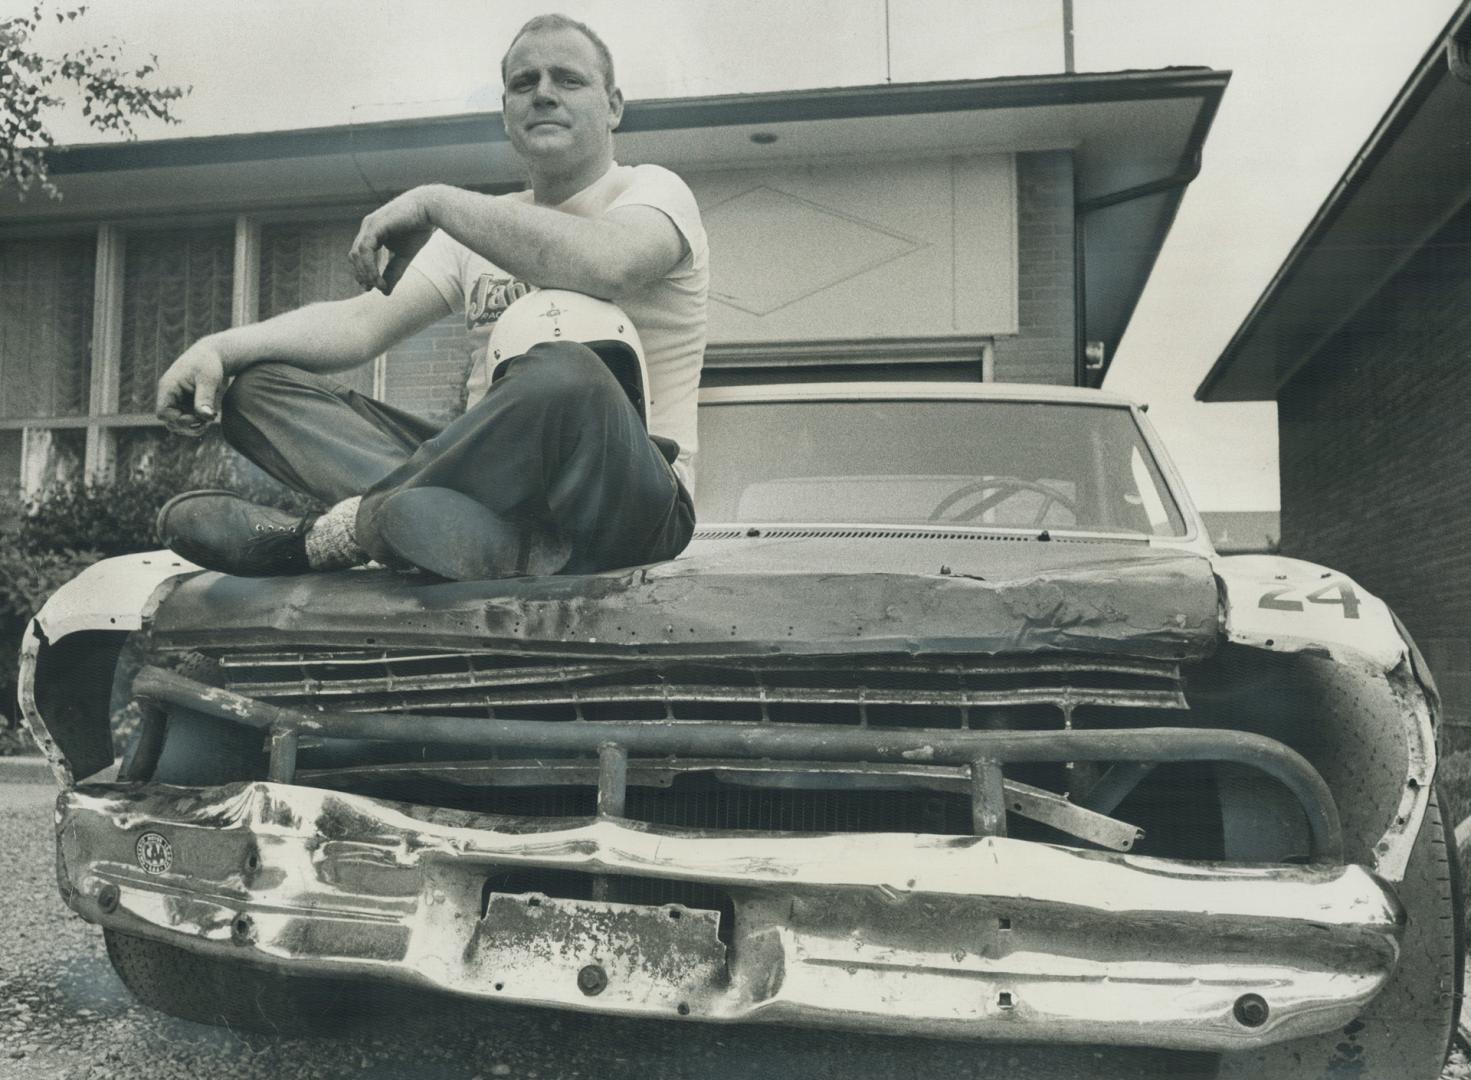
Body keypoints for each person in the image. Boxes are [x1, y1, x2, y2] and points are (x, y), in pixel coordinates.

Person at [154, 13, 708, 581]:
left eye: (568, 79)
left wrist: (434, 200)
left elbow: (608, 264)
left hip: (629, 504)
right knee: (256, 389)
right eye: (524, 83)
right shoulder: (482, 227)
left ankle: (325, 539)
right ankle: (497, 539)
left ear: (613, 105)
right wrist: (218, 349)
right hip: (483, 501)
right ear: (506, 112)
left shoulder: (653, 192)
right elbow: (361, 326)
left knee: (567, 371)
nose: (543, 94)